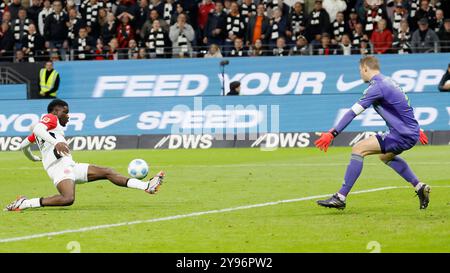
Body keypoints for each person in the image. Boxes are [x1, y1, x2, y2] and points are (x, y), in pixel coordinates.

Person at [5, 99, 165, 212]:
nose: (68, 116)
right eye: (65, 112)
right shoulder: (51, 118)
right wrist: (56, 143)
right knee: (68, 199)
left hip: (69, 166)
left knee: (107, 172)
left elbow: (23, 145)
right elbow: (38, 129)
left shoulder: (50, 129)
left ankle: (146, 186)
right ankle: (25, 203)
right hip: (60, 168)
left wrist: (32, 157)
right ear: (55, 111)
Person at [314, 56, 430, 210]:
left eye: (360, 71)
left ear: (365, 68)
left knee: (358, 148)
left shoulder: (377, 87)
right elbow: (403, 107)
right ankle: (419, 186)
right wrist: (418, 129)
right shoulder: (389, 82)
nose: (360, 74)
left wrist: (332, 133)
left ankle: (340, 197)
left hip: (402, 134)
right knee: (385, 156)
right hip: (409, 133)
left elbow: (353, 112)